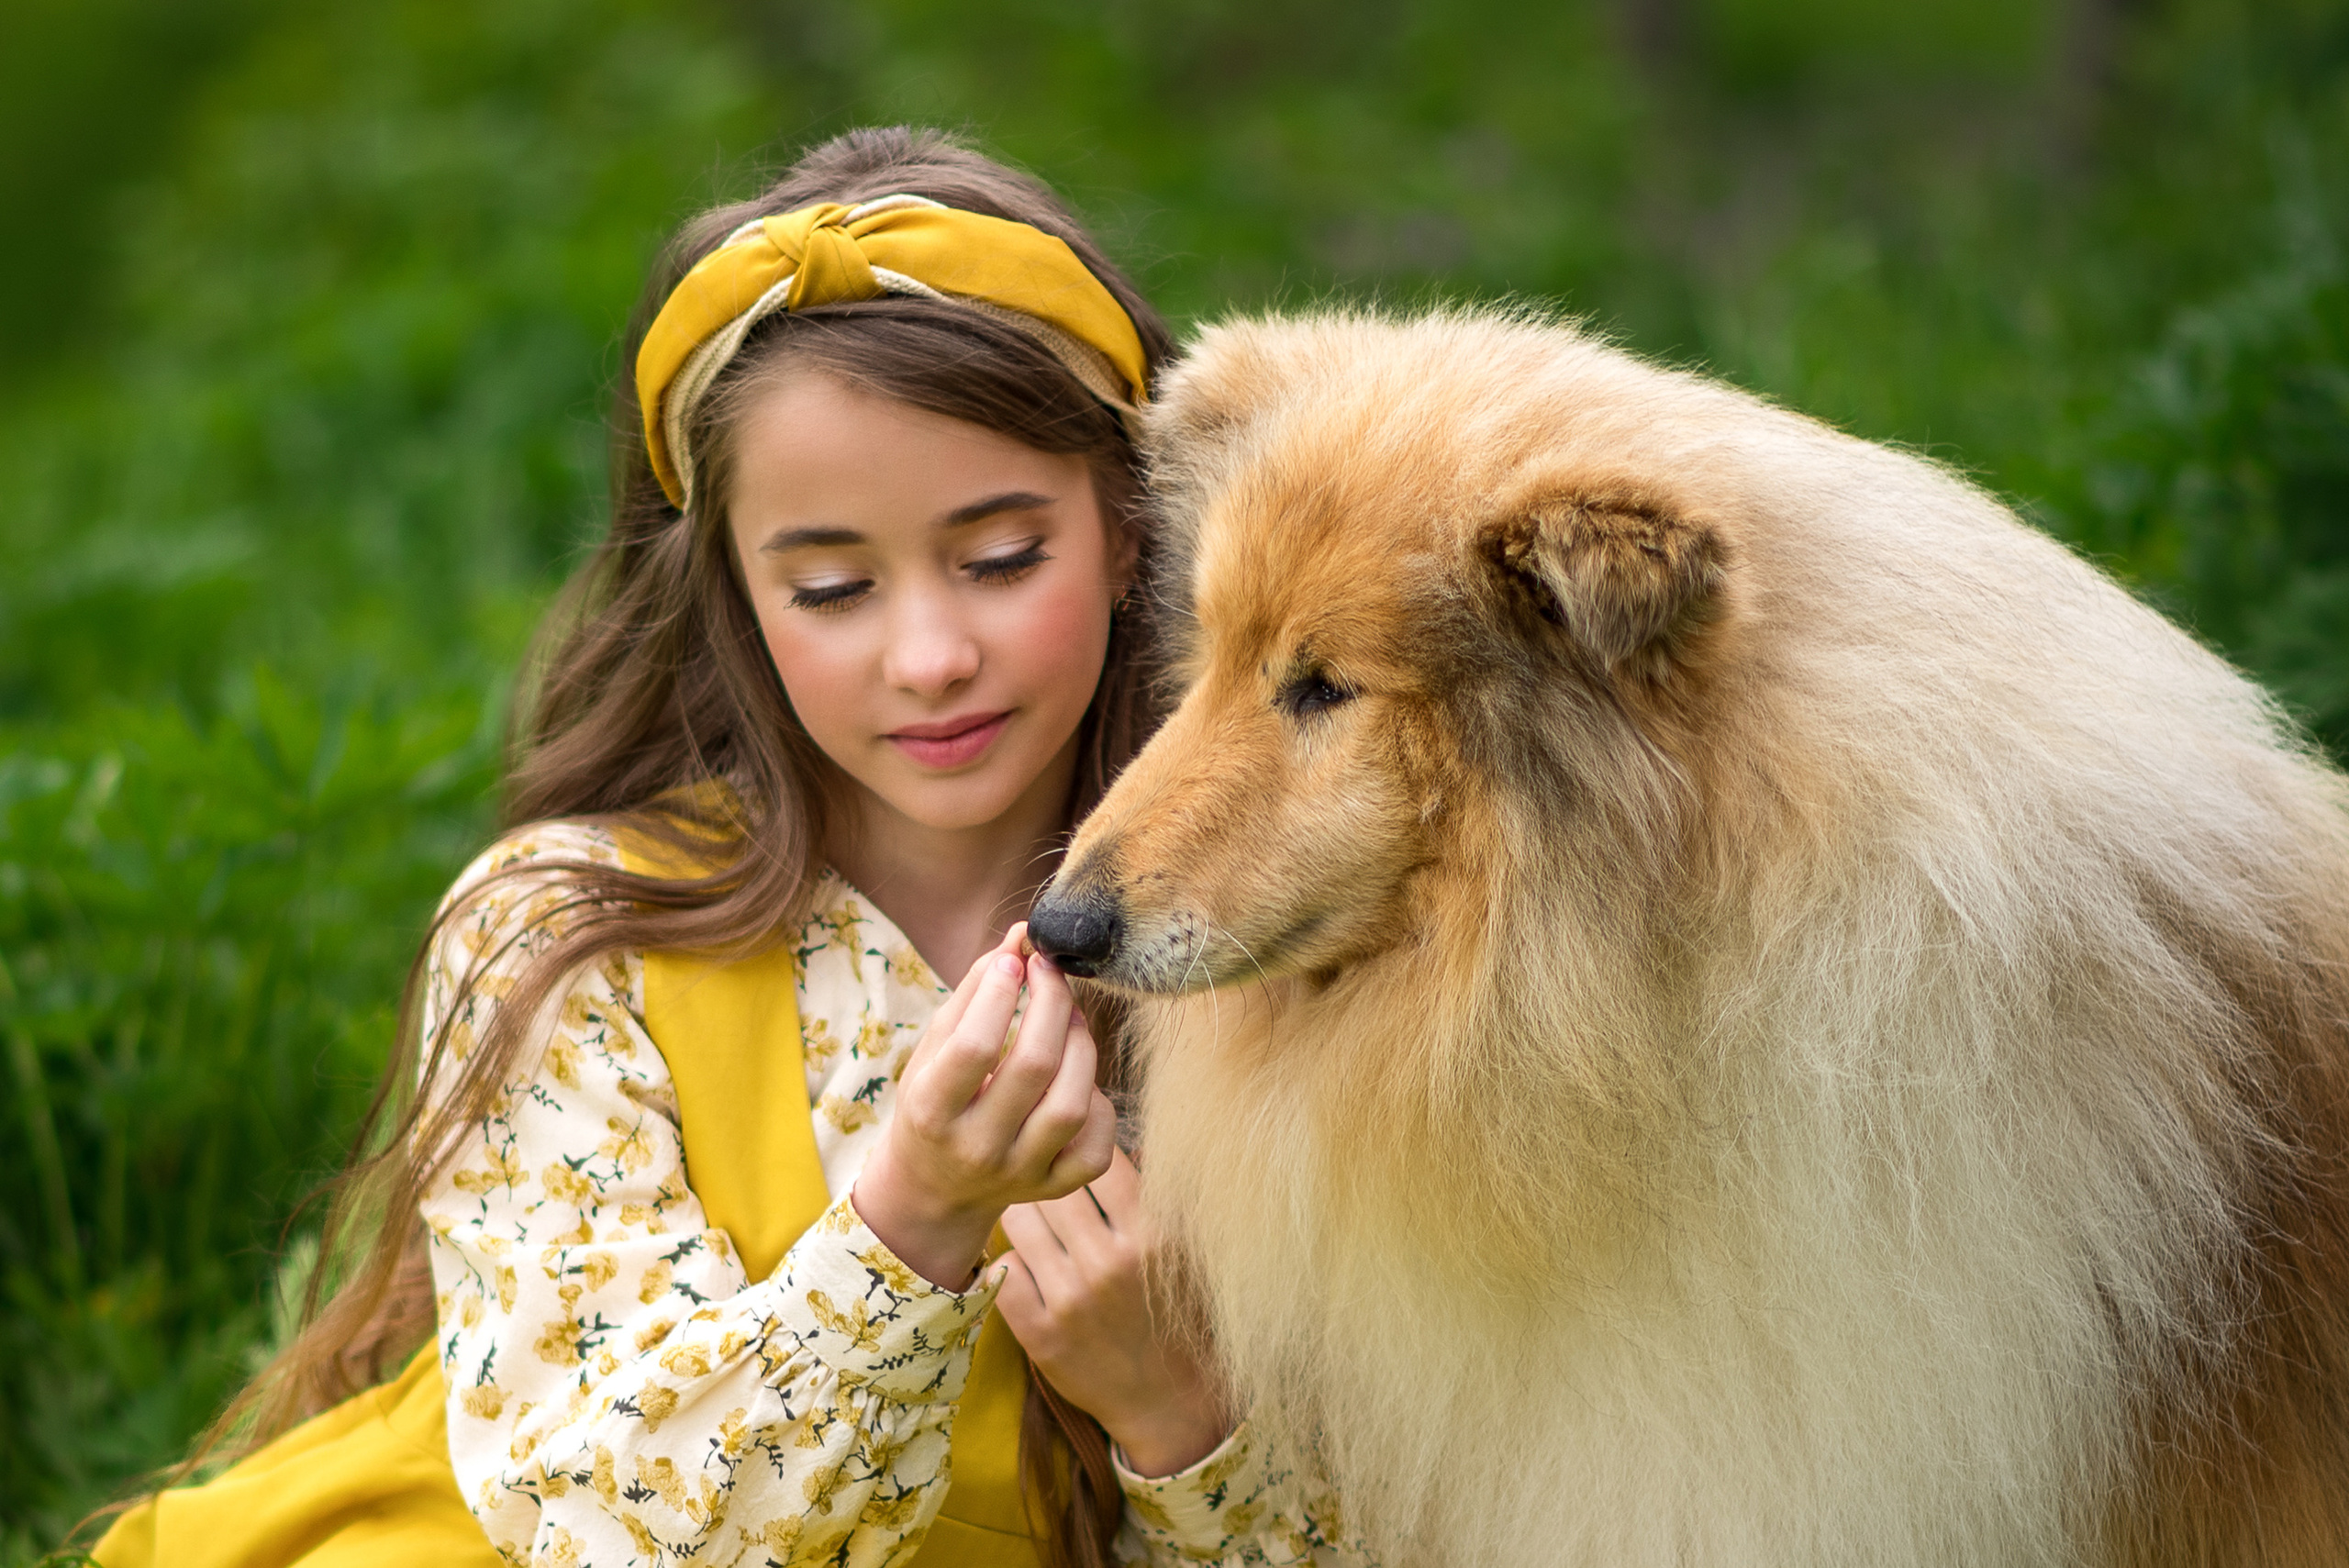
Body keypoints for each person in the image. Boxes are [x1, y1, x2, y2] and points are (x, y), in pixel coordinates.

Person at [88, 128, 1364, 1568]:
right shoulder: (569, 931)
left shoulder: (1291, 942)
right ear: (734, 592)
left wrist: (1177, 1412)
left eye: (1003, 558)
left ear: (1135, 532)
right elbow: (593, 1530)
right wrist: (909, 1224)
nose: (932, 654)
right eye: (831, 587)